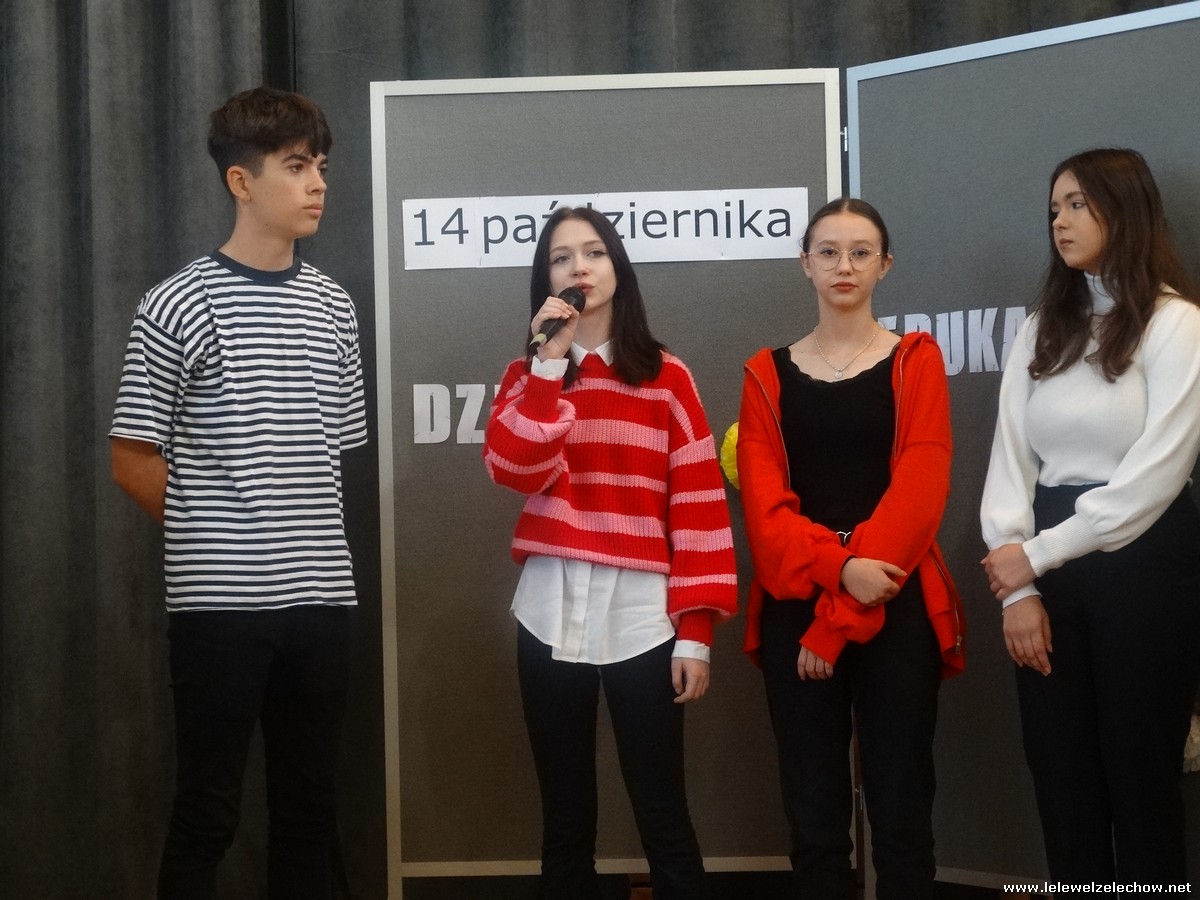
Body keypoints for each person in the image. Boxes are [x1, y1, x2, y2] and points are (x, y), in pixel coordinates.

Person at [109, 86, 366, 900]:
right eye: (295, 166)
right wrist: (216, 528)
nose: (317, 183)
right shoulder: (177, 302)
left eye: (320, 165)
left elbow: (335, 451)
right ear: (241, 182)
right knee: (207, 812)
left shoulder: (334, 306)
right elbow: (131, 456)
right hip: (220, 606)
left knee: (310, 815)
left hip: (321, 598)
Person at [482, 206, 737, 900]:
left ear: (618, 268)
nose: (580, 268)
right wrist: (547, 367)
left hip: (642, 618)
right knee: (565, 820)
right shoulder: (527, 375)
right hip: (548, 611)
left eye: (594, 252)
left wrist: (696, 630)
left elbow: (698, 507)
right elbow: (514, 469)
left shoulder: (667, 377)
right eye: (562, 258)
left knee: (663, 813)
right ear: (546, 281)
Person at [980, 148, 1200, 883]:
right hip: (1044, 566)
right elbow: (1010, 462)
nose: (1060, 221)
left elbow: (1156, 474)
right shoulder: (1042, 326)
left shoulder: (1176, 323)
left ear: (1125, 208)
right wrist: (1018, 589)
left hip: (1145, 565)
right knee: (1061, 777)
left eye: (1077, 204)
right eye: (1054, 209)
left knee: (1141, 778)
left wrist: (1037, 556)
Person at [734, 198, 964, 899]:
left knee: (902, 812)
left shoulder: (917, 359)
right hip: (795, 602)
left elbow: (920, 492)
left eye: (861, 252)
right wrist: (839, 572)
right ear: (804, 264)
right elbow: (766, 518)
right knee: (814, 820)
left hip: (895, 601)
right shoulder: (764, 373)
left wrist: (837, 624)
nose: (845, 265)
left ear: (885, 265)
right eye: (828, 252)